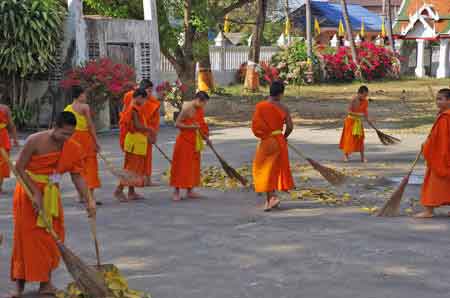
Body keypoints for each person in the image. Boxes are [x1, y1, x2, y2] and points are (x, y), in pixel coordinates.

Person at [9, 112, 96, 297]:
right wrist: (36, 193)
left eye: (70, 134)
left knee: (50, 240)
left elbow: (77, 175)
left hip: (51, 195)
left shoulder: (73, 146)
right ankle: (19, 286)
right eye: (64, 133)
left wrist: (89, 199)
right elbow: (19, 168)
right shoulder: (34, 140)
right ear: (54, 126)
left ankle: (45, 284)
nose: (67, 138)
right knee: (26, 240)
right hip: (28, 192)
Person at [251, 81, 294, 211]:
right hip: (279, 140)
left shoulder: (261, 106)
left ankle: (271, 198)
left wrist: (265, 135)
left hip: (267, 141)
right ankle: (271, 198)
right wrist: (283, 137)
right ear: (281, 93)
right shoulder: (284, 108)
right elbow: (290, 127)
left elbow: (256, 127)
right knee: (273, 169)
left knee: (263, 169)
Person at [114, 88, 156, 202]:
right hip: (134, 141)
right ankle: (118, 190)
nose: (145, 102)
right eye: (144, 99)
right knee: (131, 169)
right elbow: (137, 126)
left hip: (136, 140)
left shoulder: (135, 107)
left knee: (134, 168)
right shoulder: (133, 109)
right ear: (139, 97)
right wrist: (150, 129)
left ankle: (131, 192)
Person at [415, 88, 450, 219]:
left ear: (449, 100)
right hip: (444, 154)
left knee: (433, 183)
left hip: (441, 155)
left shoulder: (445, 117)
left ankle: (429, 210)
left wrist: (428, 146)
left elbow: (440, 139)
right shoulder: (443, 115)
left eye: (441, 99)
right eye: (437, 99)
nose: (438, 101)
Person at [170, 91, 210, 201]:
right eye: (204, 103)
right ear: (198, 100)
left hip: (194, 141)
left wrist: (206, 137)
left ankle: (190, 190)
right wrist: (191, 127)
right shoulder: (187, 108)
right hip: (184, 142)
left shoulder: (199, 109)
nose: (204, 106)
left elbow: (200, 125)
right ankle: (176, 191)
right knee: (181, 166)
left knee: (193, 166)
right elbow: (177, 124)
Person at [64, 86, 101, 203]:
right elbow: (90, 125)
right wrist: (96, 141)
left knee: (77, 167)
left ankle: (81, 195)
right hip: (84, 138)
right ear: (80, 95)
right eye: (84, 94)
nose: (86, 97)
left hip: (73, 139)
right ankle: (90, 196)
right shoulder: (85, 107)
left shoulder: (67, 108)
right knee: (90, 166)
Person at [339, 86, 371, 162]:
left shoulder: (366, 101)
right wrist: (358, 115)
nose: (365, 97)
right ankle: (346, 156)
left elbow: (365, 112)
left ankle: (362, 157)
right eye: (364, 95)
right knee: (348, 139)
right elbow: (349, 112)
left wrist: (368, 120)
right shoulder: (354, 100)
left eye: (366, 95)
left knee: (360, 139)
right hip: (350, 121)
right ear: (359, 93)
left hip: (358, 122)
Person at [139, 80, 161, 185]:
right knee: (138, 157)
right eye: (148, 91)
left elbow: (155, 121)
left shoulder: (154, 103)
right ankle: (138, 180)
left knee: (148, 156)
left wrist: (153, 134)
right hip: (137, 133)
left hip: (149, 132)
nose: (150, 94)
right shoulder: (134, 100)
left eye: (151, 91)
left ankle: (147, 179)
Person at [0, 103, 18, 193]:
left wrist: (15, 138)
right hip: (2, 136)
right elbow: (11, 125)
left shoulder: (5, 108)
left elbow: (11, 125)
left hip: (3, 137)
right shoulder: (5, 108)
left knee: (3, 163)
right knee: (2, 163)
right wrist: (15, 139)